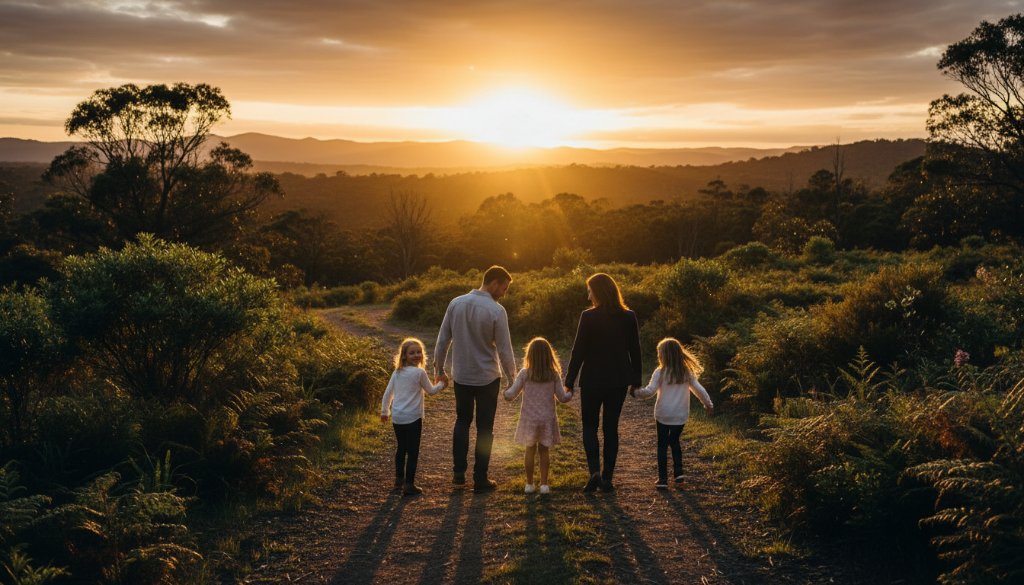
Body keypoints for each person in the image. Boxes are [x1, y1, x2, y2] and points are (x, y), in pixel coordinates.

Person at [435, 266, 517, 493]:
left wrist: (439, 369)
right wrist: (513, 378)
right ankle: (481, 478)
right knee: (485, 427)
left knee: (462, 421)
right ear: (493, 283)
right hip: (488, 377)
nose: (504, 293)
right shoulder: (496, 310)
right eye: (504, 287)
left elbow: (443, 340)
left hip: (462, 374)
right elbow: (504, 349)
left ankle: (458, 475)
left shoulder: (456, 303)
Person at [564, 273, 642, 493]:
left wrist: (570, 381)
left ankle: (594, 472)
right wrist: (636, 381)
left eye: (589, 290)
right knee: (611, 428)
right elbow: (635, 350)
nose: (588, 296)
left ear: (597, 291)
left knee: (589, 426)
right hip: (618, 380)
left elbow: (578, 351)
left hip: (592, 380)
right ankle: (607, 478)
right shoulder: (629, 317)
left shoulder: (588, 317)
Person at [633, 338, 714, 489]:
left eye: (659, 353)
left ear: (663, 355)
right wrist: (708, 405)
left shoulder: (660, 372)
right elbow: (699, 390)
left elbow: (649, 391)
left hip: (663, 414)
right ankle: (679, 474)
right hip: (680, 415)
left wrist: (636, 392)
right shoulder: (686, 372)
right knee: (675, 442)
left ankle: (662, 479)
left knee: (662, 445)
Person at [503, 337, 573, 495]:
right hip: (547, 419)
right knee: (544, 450)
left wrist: (504, 393)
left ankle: (529, 484)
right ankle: (544, 485)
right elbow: (562, 398)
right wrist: (570, 393)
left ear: (530, 355)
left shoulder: (525, 373)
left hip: (529, 419)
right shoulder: (553, 374)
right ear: (549, 355)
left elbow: (511, 394)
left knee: (530, 449)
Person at [381, 337, 447, 496]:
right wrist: (441, 384)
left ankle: (398, 480)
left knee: (401, 448)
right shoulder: (419, 372)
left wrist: (385, 412)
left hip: (398, 417)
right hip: (413, 418)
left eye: (419, 352)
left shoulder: (397, 373)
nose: (417, 355)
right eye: (412, 353)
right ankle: (409, 485)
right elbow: (431, 391)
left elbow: (388, 394)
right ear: (404, 356)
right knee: (413, 451)